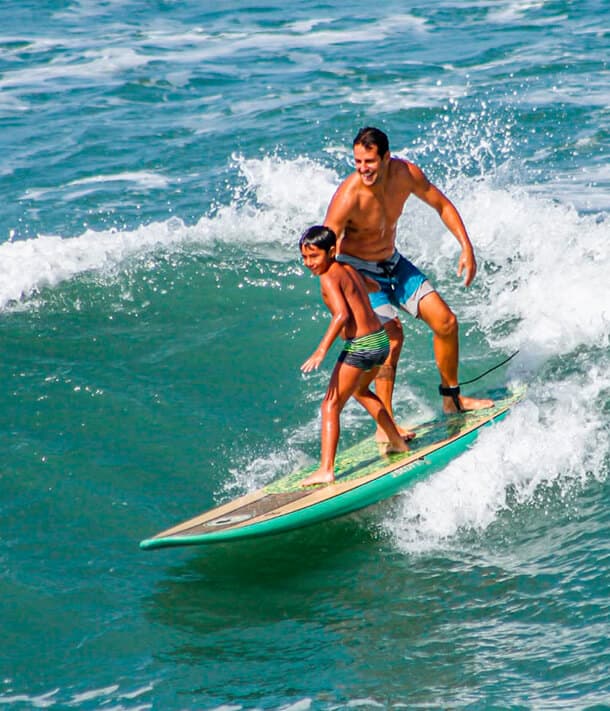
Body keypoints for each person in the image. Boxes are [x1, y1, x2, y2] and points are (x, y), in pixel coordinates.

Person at [324, 126, 493, 431]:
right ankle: (386, 426)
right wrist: (344, 298)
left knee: (446, 322)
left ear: (386, 157)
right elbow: (326, 254)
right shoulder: (348, 197)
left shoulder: (405, 174)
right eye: (357, 162)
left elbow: (442, 204)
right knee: (391, 337)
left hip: (392, 263)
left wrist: (466, 246)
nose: (363, 168)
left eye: (369, 161)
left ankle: (452, 399)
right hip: (359, 273)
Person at [298, 225, 411, 487]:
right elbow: (372, 285)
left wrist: (321, 350)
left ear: (331, 251)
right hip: (380, 340)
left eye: (314, 256)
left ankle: (326, 469)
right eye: (304, 257)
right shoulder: (349, 269)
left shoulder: (328, 277)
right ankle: (396, 442)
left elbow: (342, 315)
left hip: (361, 345)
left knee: (330, 405)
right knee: (361, 391)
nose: (309, 263)